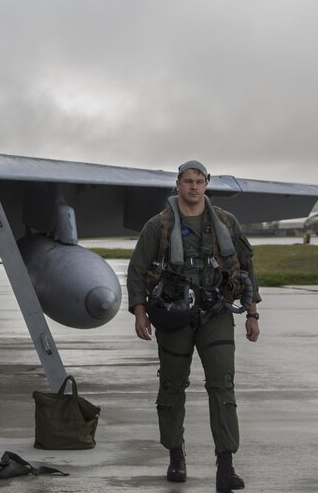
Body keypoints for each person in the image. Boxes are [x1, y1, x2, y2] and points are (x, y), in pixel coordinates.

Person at [126, 160, 261, 492]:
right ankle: (176, 454)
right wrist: (139, 311)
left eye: (199, 181)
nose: (194, 187)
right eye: (188, 181)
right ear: (178, 184)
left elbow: (246, 268)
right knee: (172, 386)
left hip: (216, 314)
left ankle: (226, 466)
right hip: (174, 315)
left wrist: (252, 313)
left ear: (206, 184)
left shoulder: (226, 223)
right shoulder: (157, 226)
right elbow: (137, 270)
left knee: (222, 385)